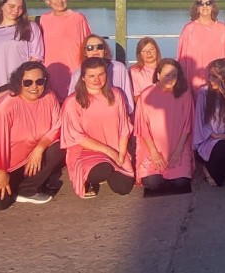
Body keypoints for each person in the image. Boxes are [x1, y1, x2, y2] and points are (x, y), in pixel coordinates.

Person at [0, 62, 65, 210]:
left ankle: (27, 189)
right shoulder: (4, 108)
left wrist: (39, 149)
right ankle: (10, 179)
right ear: (19, 83)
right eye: (28, 82)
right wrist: (0, 174)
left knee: (59, 147)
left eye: (39, 81)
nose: (34, 86)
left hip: (28, 152)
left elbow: (56, 127)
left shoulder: (49, 97)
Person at [61, 58, 134, 198]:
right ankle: (88, 178)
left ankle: (110, 170)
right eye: (91, 76)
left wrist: (122, 154)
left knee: (124, 188)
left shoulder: (116, 95)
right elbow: (77, 137)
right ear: (83, 77)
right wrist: (108, 151)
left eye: (101, 74)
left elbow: (124, 127)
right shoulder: (72, 102)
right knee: (103, 170)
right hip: (86, 151)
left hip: (116, 148)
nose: (97, 79)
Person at [134, 59, 194, 195]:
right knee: (152, 184)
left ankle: (175, 173)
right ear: (159, 75)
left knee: (181, 182)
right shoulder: (146, 95)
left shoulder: (184, 93)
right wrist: (154, 153)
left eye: (174, 75)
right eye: (167, 75)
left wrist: (178, 151)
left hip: (178, 146)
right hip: (153, 148)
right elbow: (143, 128)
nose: (171, 79)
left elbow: (187, 125)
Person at [0, 0, 44, 96]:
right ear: (1, 7)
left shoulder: (30, 27)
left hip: (20, 84)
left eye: (20, 7)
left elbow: (36, 56)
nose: (16, 11)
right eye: (11, 6)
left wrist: (22, 79)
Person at [39, 0, 92, 100]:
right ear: (48, 2)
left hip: (74, 67)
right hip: (51, 69)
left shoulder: (78, 18)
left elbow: (89, 43)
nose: (59, 1)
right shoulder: (43, 19)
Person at [177, 0, 225, 93]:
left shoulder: (222, 29)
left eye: (208, 3)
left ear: (213, 6)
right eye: (200, 3)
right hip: (195, 81)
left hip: (218, 81)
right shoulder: (189, 29)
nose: (205, 6)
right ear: (196, 7)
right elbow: (182, 59)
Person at [68, 34, 135, 113]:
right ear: (85, 52)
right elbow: (72, 104)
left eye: (99, 47)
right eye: (90, 48)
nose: (95, 50)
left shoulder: (119, 68)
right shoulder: (78, 74)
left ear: (105, 50)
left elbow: (128, 98)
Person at [129, 37, 161, 103]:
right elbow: (135, 97)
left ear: (157, 50)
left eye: (151, 49)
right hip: (146, 107)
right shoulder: (134, 71)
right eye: (144, 51)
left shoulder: (166, 68)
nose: (148, 53)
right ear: (139, 54)